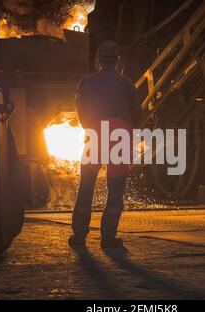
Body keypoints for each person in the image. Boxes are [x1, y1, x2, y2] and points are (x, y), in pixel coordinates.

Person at [69, 40, 138, 249]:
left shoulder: (86, 83)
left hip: (95, 138)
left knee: (86, 187)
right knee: (115, 191)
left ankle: (80, 236)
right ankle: (108, 238)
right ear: (118, 62)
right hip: (119, 141)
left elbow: (80, 108)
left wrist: (89, 128)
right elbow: (136, 113)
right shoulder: (126, 84)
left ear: (98, 60)